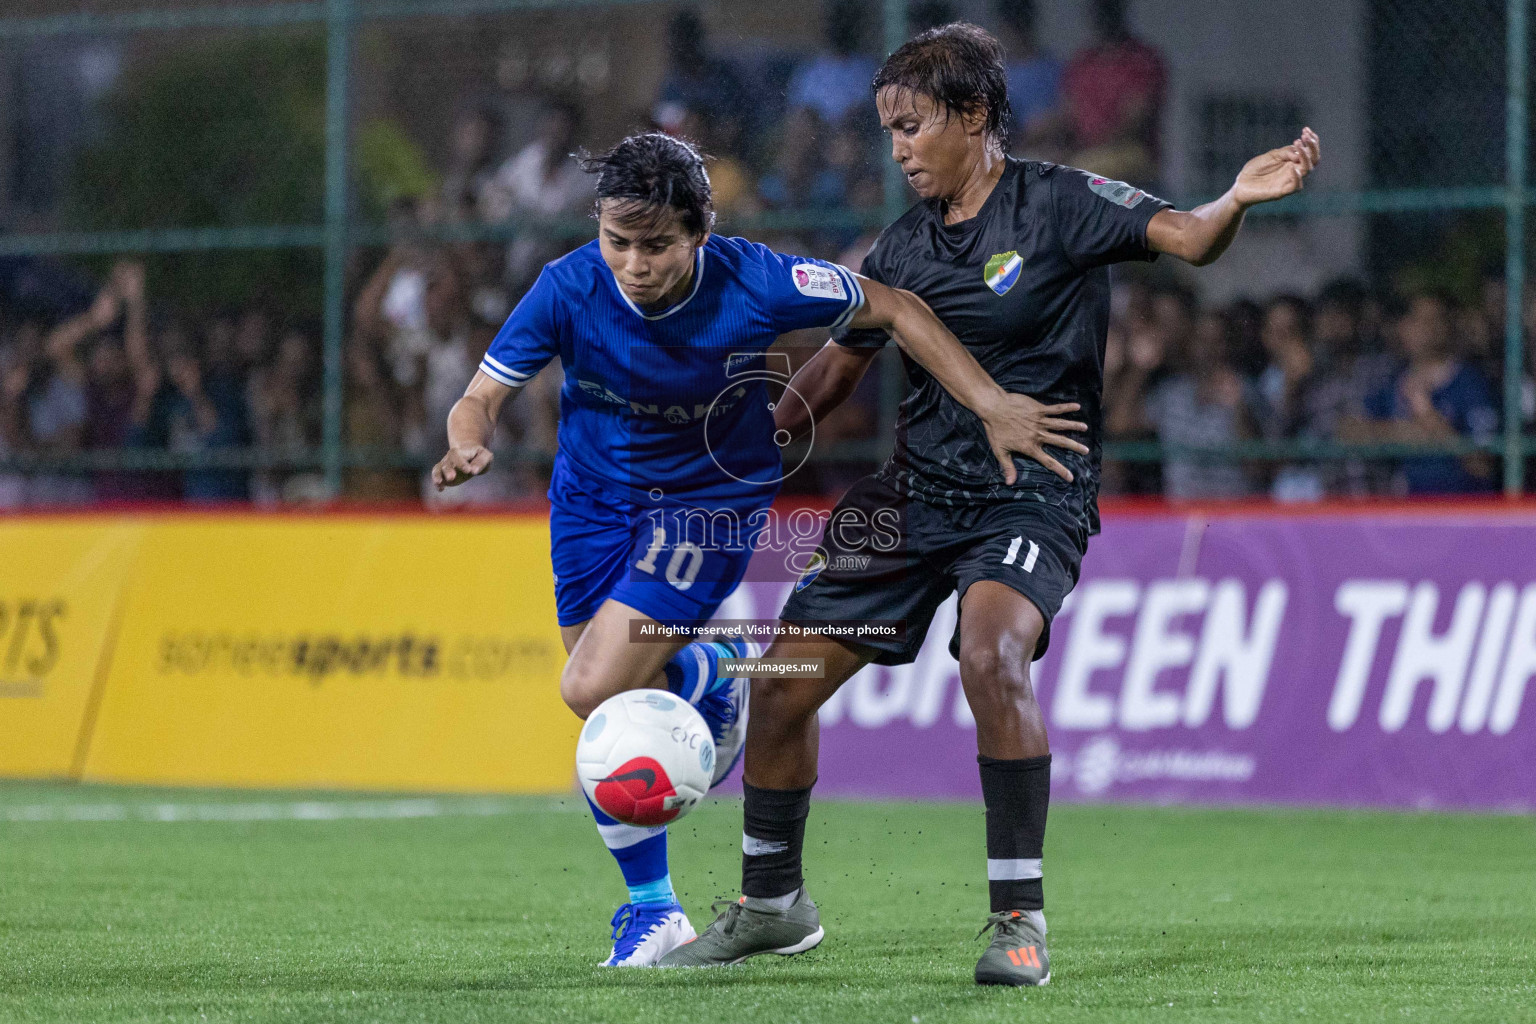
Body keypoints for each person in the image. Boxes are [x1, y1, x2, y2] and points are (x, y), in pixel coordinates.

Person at [658, 23, 1319, 984]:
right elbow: (836, 370)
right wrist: (746, 440)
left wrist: (1236, 200)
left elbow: (1189, 238)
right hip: (914, 495)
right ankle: (771, 905)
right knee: (782, 681)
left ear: (974, 117)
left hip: (1031, 493)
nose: (900, 149)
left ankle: (1018, 923)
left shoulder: (1059, 202)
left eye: (914, 126)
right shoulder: (899, 248)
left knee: (991, 649)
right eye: (888, 130)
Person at [431, 132, 1075, 968]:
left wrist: (991, 403)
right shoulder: (567, 286)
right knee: (607, 708)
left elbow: (898, 309)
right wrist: (467, 442)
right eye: (617, 242)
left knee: (588, 683)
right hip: (589, 507)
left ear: (699, 231)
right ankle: (654, 912)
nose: (633, 263)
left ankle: (711, 680)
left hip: (705, 507)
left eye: (656, 244)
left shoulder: (760, 280)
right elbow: (478, 396)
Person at [1345, 290, 1500, 494]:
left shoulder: (1471, 383)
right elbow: (1348, 431)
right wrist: (1408, 432)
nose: (1428, 328)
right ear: (1404, 327)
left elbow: (1482, 464)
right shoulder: (1394, 380)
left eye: (1436, 319)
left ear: (1450, 326)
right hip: (1411, 512)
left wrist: (1429, 417)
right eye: (1418, 319)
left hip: (1466, 511)